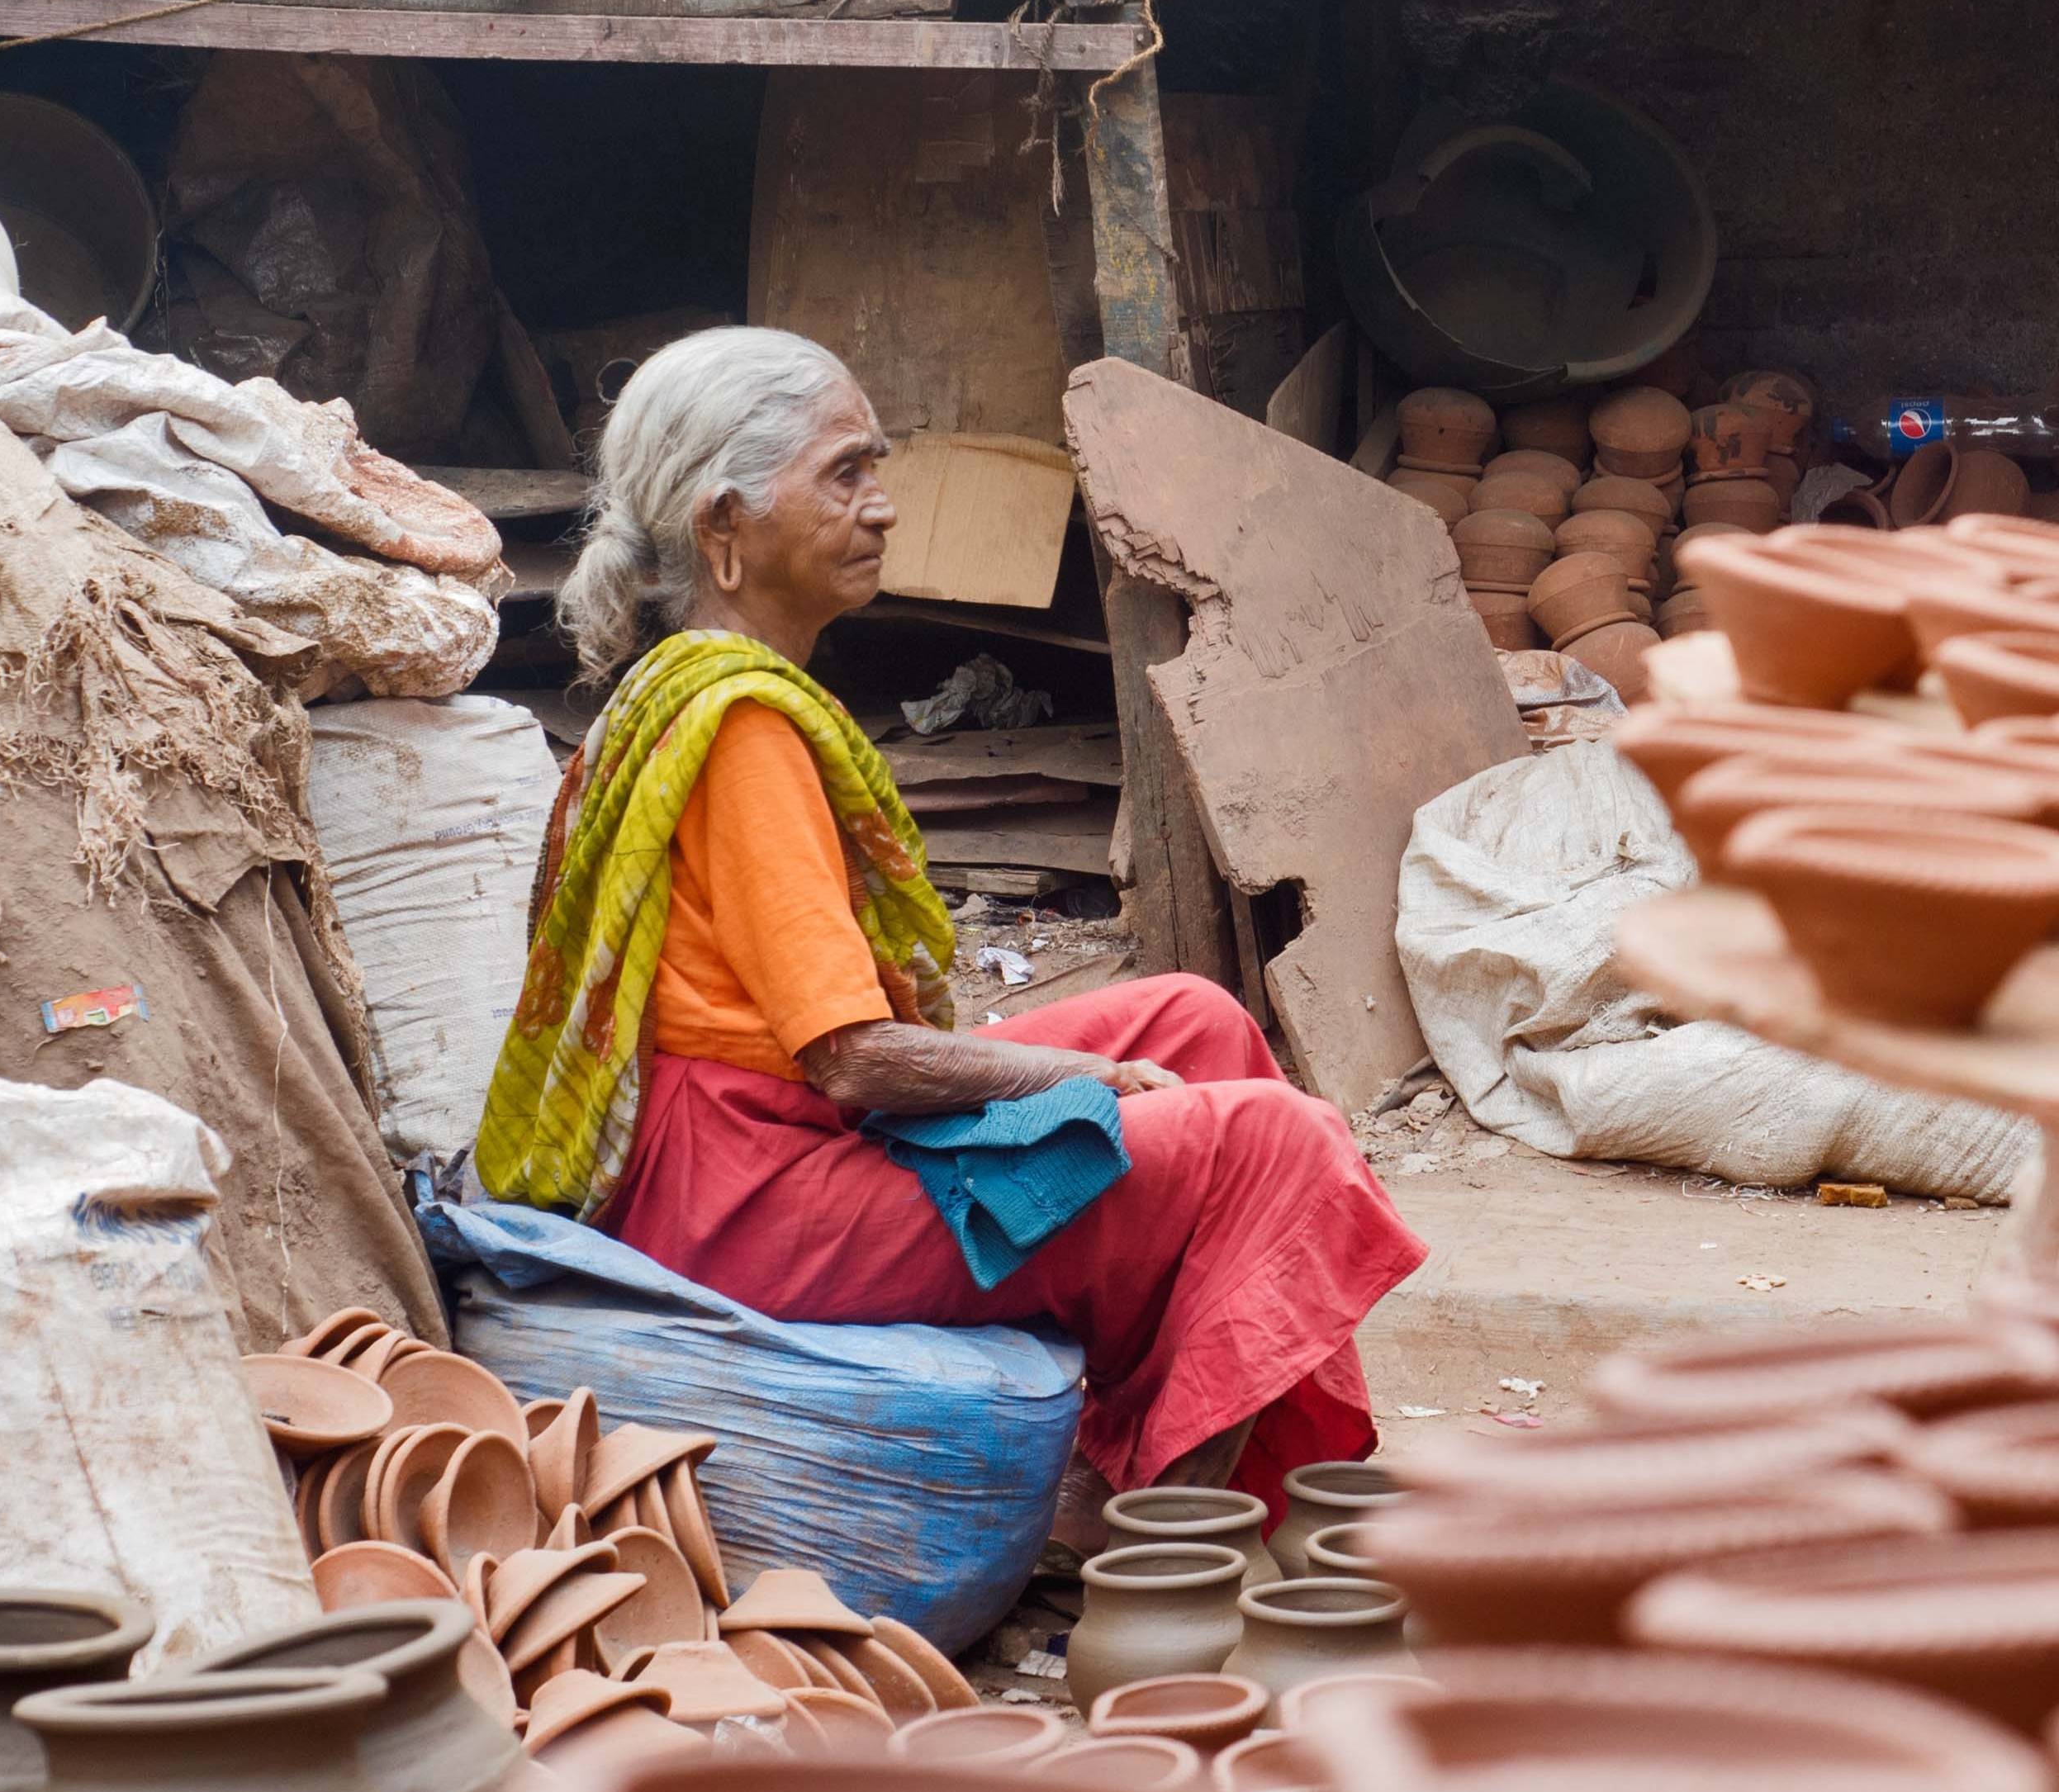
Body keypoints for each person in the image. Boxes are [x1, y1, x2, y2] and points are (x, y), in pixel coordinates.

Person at [477, 327, 1424, 1532]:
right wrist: (1083, 1074)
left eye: (877, 469)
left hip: (741, 1144)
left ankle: (1268, 1477)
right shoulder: (741, 732)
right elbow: (854, 1058)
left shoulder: (698, 689)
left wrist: (1095, 1071)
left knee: (1192, 1017)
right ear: (725, 527)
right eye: (843, 475)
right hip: (747, 1198)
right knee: (1271, 1143)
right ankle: (1171, 1534)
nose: (880, 509)